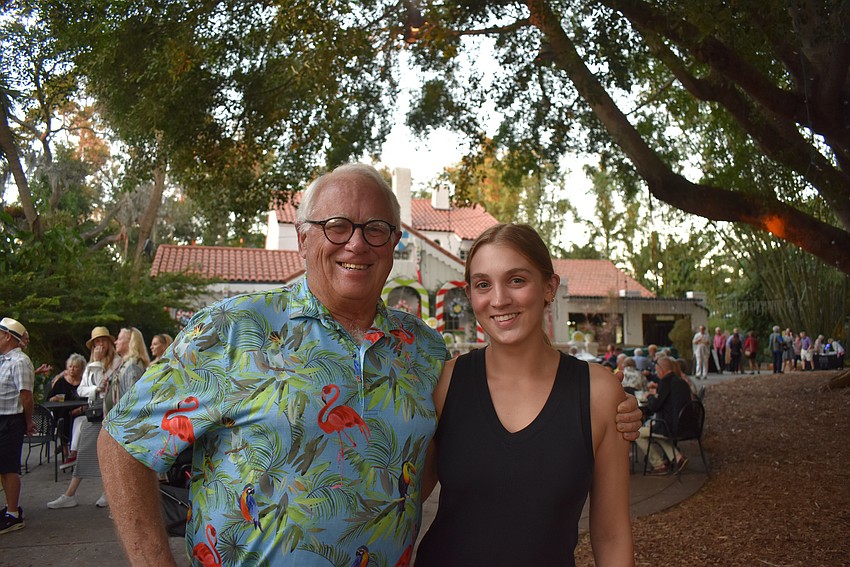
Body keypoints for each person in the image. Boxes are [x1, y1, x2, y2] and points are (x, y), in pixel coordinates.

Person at [97, 164, 643, 566]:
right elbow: (122, 442)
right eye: (337, 226)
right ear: (303, 238)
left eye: (375, 229)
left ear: (394, 243)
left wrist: (608, 411)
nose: (356, 244)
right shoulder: (235, 329)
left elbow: (456, 458)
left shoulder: (424, 353)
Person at [415, 224, 634, 565]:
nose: (499, 299)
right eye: (483, 284)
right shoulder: (444, 384)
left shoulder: (599, 394)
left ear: (549, 287)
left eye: (516, 280)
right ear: (470, 294)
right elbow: (401, 502)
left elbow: (612, 534)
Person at [47, 327, 122, 509]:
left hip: (108, 412)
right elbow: (82, 389)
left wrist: (97, 378)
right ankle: (73, 494)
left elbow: (109, 387)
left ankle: (77, 493)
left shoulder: (117, 362)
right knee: (89, 452)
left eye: (102, 341)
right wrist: (95, 387)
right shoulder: (91, 365)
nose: (100, 345)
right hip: (94, 412)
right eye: (96, 342)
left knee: (102, 454)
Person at [0, 317, 35, 534]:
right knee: (2, 467)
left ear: (7, 337)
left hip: (10, 419)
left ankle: (13, 513)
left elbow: (26, 395)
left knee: (9, 466)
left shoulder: (19, 361)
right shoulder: (3, 360)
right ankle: (9, 508)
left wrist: (28, 421)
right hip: (2, 417)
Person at [633, 356, 695, 475]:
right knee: (655, 431)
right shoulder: (681, 381)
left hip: (670, 426)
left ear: (661, 370)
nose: (657, 373)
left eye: (657, 371)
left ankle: (658, 465)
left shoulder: (665, 382)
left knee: (637, 433)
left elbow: (654, 407)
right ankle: (678, 458)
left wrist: (649, 397)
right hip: (686, 425)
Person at [46, 353, 85, 457]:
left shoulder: (84, 382)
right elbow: (49, 399)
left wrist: (81, 409)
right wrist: (54, 398)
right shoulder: (61, 382)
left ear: (81, 369)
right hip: (63, 413)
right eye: (70, 366)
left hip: (80, 412)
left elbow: (89, 400)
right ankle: (64, 446)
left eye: (75, 367)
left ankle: (74, 448)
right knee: (62, 419)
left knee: (79, 420)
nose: (72, 369)